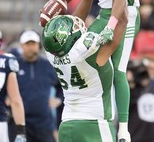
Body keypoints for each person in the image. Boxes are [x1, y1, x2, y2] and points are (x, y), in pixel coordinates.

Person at [54, 0, 141, 141]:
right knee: (80, 57)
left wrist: (110, 27)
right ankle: (94, 115)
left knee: (119, 71)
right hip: (104, 13)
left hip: (125, 13)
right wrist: (53, 9)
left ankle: (123, 129)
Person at [42, 13, 127, 142]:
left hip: (66, 124)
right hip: (94, 123)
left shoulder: (51, 53)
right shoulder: (86, 51)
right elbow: (123, 20)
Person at [7, 29, 61, 142]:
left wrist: (58, 99)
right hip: (19, 122)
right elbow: (1, 85)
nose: (31, 47)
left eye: (33, 43)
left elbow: (62, 85)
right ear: (22, 45)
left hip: (43, 122)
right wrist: (5, 99)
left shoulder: (47, 66)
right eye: (27, 44)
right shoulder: (13, 65)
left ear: (38, 45)